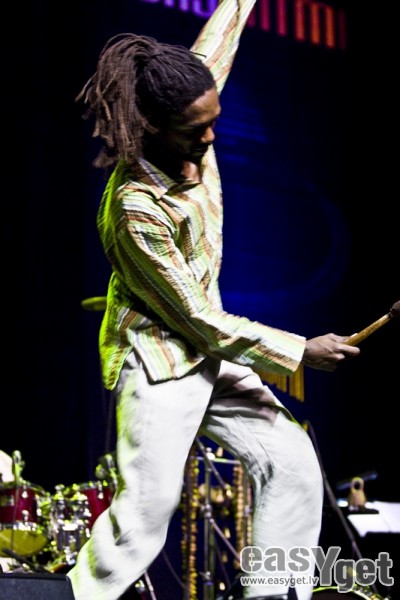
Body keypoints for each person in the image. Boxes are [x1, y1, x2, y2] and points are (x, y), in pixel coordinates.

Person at [68, 0, 360, 598]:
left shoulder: (188, 98)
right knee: (142, 521)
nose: (209, 136)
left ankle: (272, 593)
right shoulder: (134, 207)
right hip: (159, 361)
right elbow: (197, 320)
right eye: (194, 128)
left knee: (293, 464)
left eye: (213, 120)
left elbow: (224, 29)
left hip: (211, 353)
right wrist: (299, 351)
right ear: (152, 125)